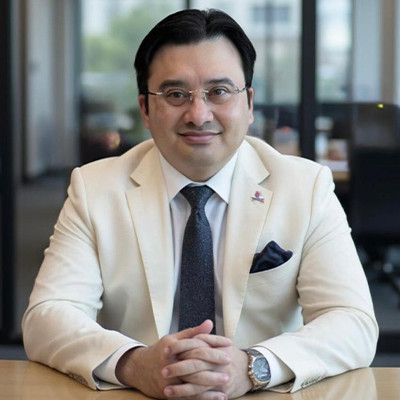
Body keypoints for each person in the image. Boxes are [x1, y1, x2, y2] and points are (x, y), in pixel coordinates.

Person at [22, 8, 378, 400]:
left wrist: (253, 367)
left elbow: (353, 321)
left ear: (249, 103)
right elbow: (46, 317)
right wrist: (134, 364)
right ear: (145, 109)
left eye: (219, 92)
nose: (198, 114)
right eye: (176, 95)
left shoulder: (306, 188)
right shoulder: (95, 189)